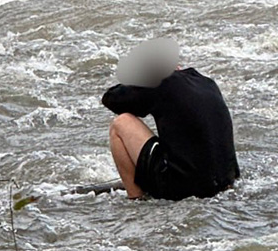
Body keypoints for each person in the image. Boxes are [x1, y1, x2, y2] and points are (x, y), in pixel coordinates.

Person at [102, 39, 239, 201]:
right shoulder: (207, 83)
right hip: (226, 184)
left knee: (121, 123)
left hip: (185, 188)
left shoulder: (159, 81)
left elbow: (111, 99)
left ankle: (136, 199)